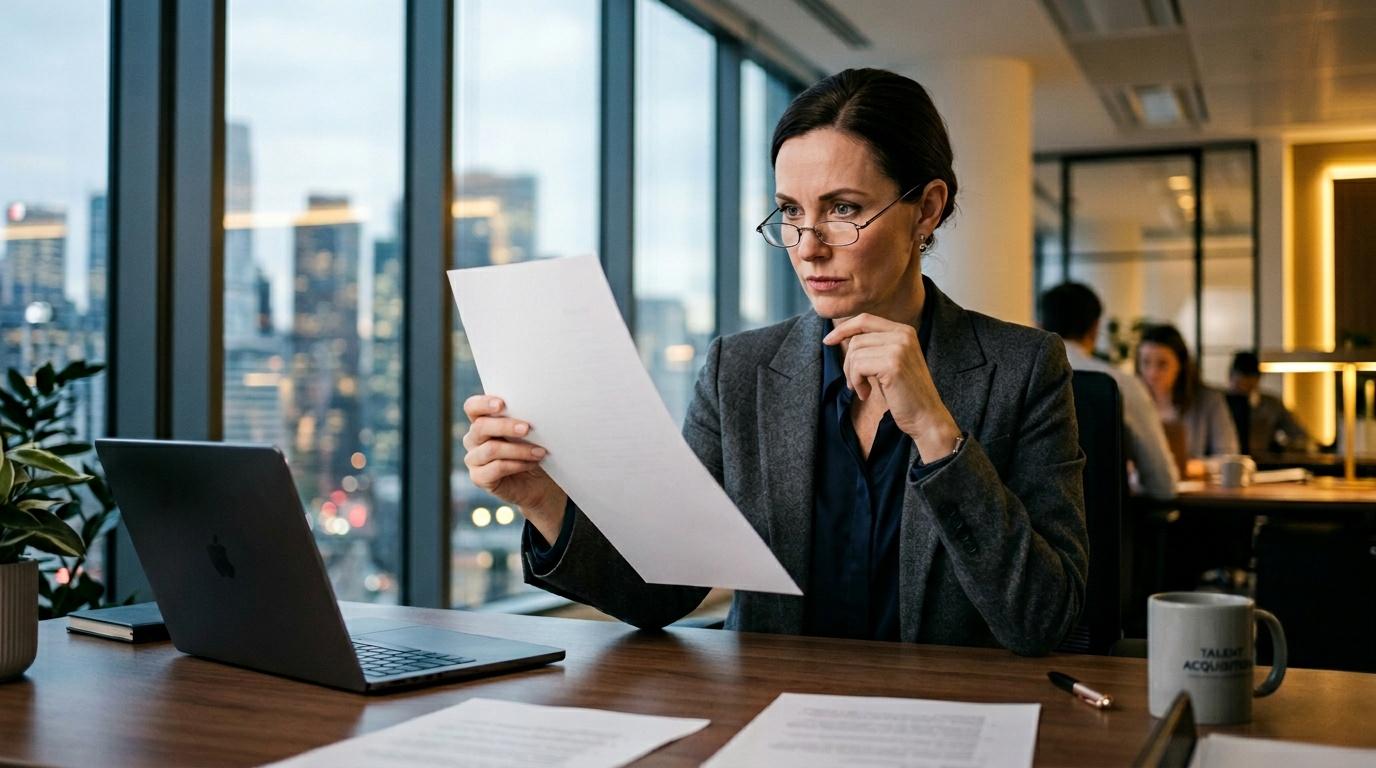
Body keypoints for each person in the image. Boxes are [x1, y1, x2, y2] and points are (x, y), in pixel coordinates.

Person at [463, 68, 1088, 656]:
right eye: (791, 211)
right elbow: (663, 592)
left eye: (842, 209)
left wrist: (936, 434)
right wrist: (540, 497)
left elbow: (1045, 621)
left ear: (926, 207)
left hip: (946, 721)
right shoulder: (739, 370)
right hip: (768, 715)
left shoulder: (1023, 367)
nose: (808, 246)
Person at [1038, 283, 1178, 499]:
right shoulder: (1122, 384)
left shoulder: (1018, 383)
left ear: (1038, 326)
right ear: (1095, 328)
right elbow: (1162, 484)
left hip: (1028, 528)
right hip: (1106, 527)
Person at [1135, 324, 1239, 471]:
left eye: (1162, 364)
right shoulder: (1131, 402)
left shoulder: (1208, 400)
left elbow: (1229, 457)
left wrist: (1194, 467)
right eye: (1145, 363)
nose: (1152, 373)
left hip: (1194, 489)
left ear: (1180, 365)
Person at [1227, 351, 1313, 455]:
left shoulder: (1271, 405)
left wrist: (1279, 448)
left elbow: (1299, 436)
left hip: (1263, 463)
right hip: (1225, 461)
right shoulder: (1219, 403)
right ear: (1230, 377)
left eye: (1248, 382)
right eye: (1239, 383)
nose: (1243, 387)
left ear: (1257, 379)